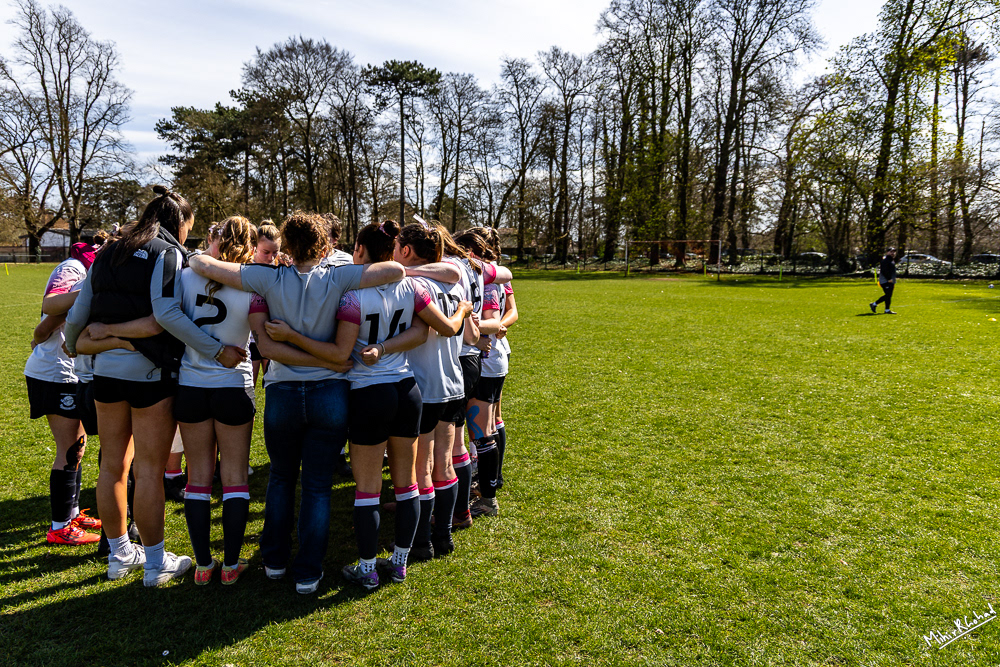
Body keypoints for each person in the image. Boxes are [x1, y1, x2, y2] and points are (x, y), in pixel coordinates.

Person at [188, 211, 407, 594]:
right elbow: (396, 270)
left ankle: (274, 562)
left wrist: (197, 254)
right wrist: (331, 361)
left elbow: (204, 265)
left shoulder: (267, 276)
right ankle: (308, 572)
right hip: (329, 392)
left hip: (283, 391)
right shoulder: (338, 275)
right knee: (318, 485)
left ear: (286, 245)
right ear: (323, 247)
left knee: (281, 477)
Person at [264, 220, 470, 587]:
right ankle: (400, 563)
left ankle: (368, 568)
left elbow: (341, 351)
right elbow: (422, 331)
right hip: (407, 390)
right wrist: (387, 348)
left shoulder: (352, 295)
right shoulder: (411, 286)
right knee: (406, 484)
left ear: (359, 251)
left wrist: (294, 335)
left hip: (368, 392)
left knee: (368, 489)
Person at [65, 185, 247, 586]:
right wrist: (217, 350)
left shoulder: (109, 249)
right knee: (148, 470)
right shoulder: (167, 251)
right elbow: (164, 315)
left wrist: (77, 342)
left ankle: (118, 556)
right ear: (180, 222)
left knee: (112, 465)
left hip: (105, 372)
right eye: (189, 227)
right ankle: (154, 563)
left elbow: (79, 311)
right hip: (151, 374)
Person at [176, 216, 260, 585]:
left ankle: (203, 565)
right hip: (233, 386)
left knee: (197, 479)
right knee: (235, 478)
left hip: (191, 385)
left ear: (215, 238)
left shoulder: (184, 276)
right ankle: (230, 566)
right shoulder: (253, 282)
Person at [25, 243, 101, 546]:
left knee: (77, 447)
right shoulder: (73, 268)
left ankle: (72, 513)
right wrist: (37, 337)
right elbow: (50, 316)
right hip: (55, 373)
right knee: (69, 449)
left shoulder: (86, 269)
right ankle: (60, 526)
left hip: (70, 372)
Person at [870, 248, 897, 315]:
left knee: (889, 295)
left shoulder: (892, 261)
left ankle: (887, 310)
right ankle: (874, 304)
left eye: (894, 252)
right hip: (885, 281)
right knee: (888, 295)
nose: (892, 253)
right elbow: (884, 271)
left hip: (891, 280)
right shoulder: (885, 261)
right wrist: (889, 279)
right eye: (891, 251)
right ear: (887, 252)